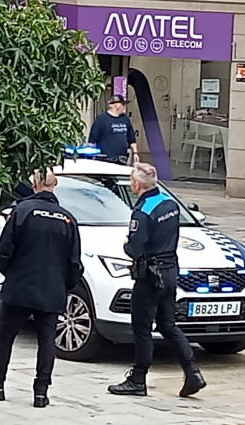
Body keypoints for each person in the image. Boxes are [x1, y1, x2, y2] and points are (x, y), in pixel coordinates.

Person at [0, 167, 83, 408]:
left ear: (34, 185)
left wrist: (10, 273)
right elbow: (74, 263)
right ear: (54, 186)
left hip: (20, 287)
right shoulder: (67, 219)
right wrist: (64, 285)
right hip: (51, 290)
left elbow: (3, 252)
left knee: (5, 337)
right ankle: (41, 392)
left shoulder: (21, 212)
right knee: (46, 341)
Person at [108, 162, 206, 398]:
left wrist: (126, 245)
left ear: (137, 184)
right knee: (167, 325)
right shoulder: (169, 203)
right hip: (170, 271)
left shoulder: (142, 211)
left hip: (150, 275)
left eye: (132, 179)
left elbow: (135, 249)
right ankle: (192, 371)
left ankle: (138, 379)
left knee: (142, 327)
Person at [87, 94, 140, 165]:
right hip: (105, 159)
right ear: (116, 105)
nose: (124, 107)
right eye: (123, 104)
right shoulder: (101, 119)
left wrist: (135, 153)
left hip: (121, 159)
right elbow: (92, 139)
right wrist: (90, 156)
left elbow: (131, 138)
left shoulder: (125, 119)